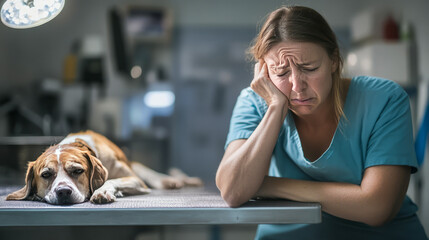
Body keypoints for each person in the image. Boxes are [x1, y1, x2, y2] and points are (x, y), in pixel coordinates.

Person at [216, 6, 428, 240]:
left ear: (334, 61)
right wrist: (276, 108)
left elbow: (377, 208)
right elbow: (233, 191)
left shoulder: (384, 99)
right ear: (263, 73)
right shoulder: (255, 101)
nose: (297, 86)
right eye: (281, 72)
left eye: (310, 68)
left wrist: (269, 186)